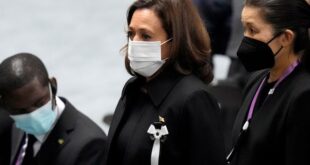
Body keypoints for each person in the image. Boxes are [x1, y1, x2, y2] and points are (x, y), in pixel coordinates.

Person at [105, 0, 226, 165]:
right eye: (131, 34)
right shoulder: (133, 89)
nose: (134, 43)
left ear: (175, 41)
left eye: (146, 36)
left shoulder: (194, 99)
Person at [227, 0, 310, 164]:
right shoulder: (257, 78)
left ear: (286, 38)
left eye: (252, 30)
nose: (245, 39)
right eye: (244, 29)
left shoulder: (303, 94)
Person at [0, 53, 107, 165]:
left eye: (40, 103)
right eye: (22, 111)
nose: (33, 116)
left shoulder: (89, 146)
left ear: (53, 86)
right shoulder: (6, 121)